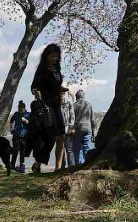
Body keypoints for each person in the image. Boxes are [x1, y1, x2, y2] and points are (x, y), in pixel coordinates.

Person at [30, 43, 67, 171]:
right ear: (47, 56)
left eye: (56, 56)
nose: (54, 59)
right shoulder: (42, 70)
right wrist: (36, 92)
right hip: (46, 106)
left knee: (62, 135)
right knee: (48, 136)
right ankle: (37, 163)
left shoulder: (57, 69)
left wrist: (63, 89)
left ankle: (58, 167)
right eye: (52, 56)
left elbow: (56, 85)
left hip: (57, 105)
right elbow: (33, 86)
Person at [72, 90, 96, 166]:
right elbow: (92, 119)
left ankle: (79, 164)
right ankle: (88, 163)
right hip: (88, 128)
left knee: (78, 148)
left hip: (78, 128)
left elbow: (72, 118)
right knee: (87, 147)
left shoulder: (74, 105)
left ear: (77, 97)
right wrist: (93, 130)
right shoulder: (89, 104)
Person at [8, 101, 29, 174]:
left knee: (22, 151)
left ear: (24, 108)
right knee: (15, 150)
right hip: (16, 134)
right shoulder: (16, 114)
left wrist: (25, 120)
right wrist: (11, 129)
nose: (20, 111)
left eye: (21, 109)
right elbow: (11, 121)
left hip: (24, 135)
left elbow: (31, 123)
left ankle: (22, 166)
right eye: (19, 109)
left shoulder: (27, 114)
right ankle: (12, 165)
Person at [61, 87, 76, 168]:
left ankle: (71, 166)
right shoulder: (56, 104)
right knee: (61, 150)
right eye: (60, 93)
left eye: (63, 93)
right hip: (59, 131)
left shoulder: (68, 103)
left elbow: (72, 115)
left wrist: (71, 127)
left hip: (68, 130)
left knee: (69, 149)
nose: (61, 95)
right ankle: (62, 166)